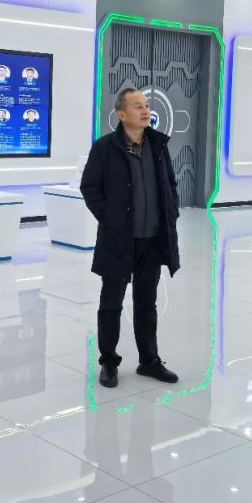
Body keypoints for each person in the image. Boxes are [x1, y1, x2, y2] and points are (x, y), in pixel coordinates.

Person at [80, 88, 181, 389]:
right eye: (138, 106)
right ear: (122, 114)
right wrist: (111, 219)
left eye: (146, 105)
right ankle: (109, 361)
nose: (145, 110)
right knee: (111, 303)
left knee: (147, 302)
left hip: (152, 239)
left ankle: (149, 360)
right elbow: (90, 188)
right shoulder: (105, 148)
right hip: (118, 239)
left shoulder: (158, 145)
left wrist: (171, 213)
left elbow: (170, 184)